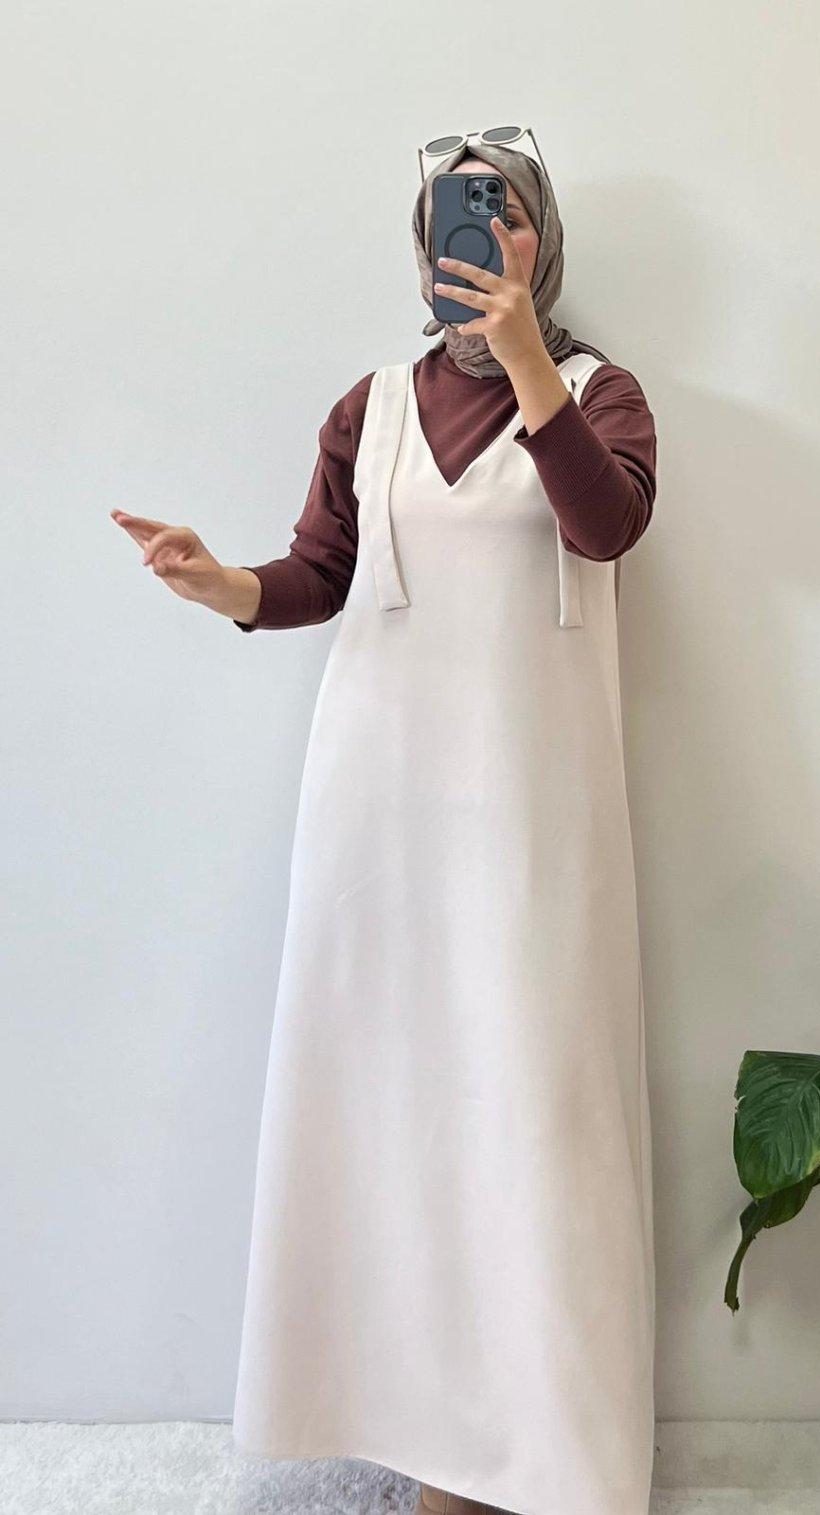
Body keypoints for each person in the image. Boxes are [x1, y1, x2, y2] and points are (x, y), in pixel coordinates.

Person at [111, 130, 658, 1515]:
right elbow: (322, 572)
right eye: (449, 221)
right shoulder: (372, 405)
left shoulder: (602, 392)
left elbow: (606, 529)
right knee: (392, 1108)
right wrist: (223, 586)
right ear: (421, 249)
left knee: (533, 1108)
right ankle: (427, 1441)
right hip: (378, 810)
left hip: (535, 817)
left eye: (500, 214)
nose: (471, 240)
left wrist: (526, 355)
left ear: (541, 238)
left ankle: (548, 1447)